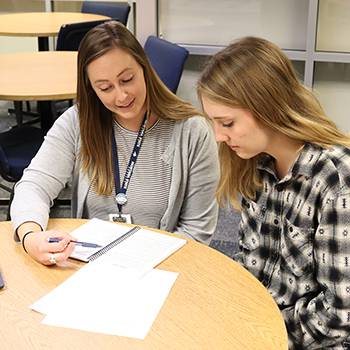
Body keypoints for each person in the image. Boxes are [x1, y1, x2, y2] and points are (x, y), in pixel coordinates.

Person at [11, 21, 219, 266]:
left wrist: (136, 267)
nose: (121, 96)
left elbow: (197, 232)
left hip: (161, 271)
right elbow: (35, 185)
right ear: (92, 90)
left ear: (145, 68)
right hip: (88, 267)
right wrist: (31, 236)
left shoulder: (192, 132)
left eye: (127, 79)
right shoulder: (78, 122)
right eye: (105, 87)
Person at [197, 36, 350, 349]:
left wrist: (259, 332)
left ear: (267, 107)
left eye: (227, 122)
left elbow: (340, 315)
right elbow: (253, 265)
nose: (218, 136)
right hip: (260, 324)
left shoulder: (335, 179)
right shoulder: (255, 165)